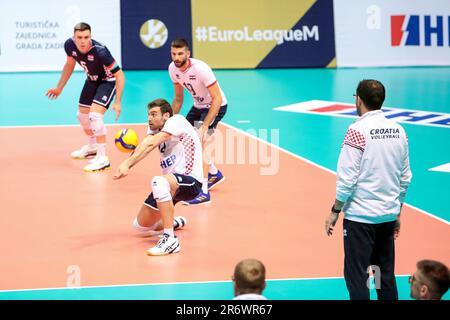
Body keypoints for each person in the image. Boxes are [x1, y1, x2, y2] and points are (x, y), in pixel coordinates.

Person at [324, 79, 412, 300]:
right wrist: (398, 211)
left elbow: (347, 179)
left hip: (360, 220)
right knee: (384, 276)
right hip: (387, 217)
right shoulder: (399, 131)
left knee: (358, 277)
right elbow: (405, 177)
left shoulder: (356, 131)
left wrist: (335, 211)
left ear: (359, 100)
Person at [114, 99, 203, 256]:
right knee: (140, 226)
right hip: (172, 185)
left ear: (166, 115)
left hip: (191, 181)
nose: (149, 118)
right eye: (148, 114)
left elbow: (152, 143)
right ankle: (173, 222)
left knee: (158, 182)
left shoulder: (177, 121)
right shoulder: (154, 130)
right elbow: (146, 144)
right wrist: (128, 163)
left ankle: (170, 240)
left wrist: (127, 164)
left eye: (154, 114)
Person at [46, 22, 125, 172]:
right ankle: (92, 146)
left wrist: (118, 101)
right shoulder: (69, 45)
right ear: (74, 37)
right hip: (91, 80)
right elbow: (69, 65)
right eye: (79, 37)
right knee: (82, 116)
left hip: (107, 82)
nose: (83, 41)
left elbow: (119, 75)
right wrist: (59, 88)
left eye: (86, 37)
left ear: (91, 36)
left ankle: (102, 159)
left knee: (94, 116)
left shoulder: (100, 51)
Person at [168, 38, 227, 205]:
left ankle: (203, 192)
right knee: (182, 138)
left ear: (188, 53)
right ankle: (214, 174)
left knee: (202, 143)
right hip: (198, 106)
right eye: (173, 54)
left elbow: (216, 98)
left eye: (180, 54)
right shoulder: (173, 69)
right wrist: (170, 122)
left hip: (216, 106)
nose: (176, 57)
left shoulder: (201, 69)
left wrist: (205, 125)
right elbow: (178, 98)